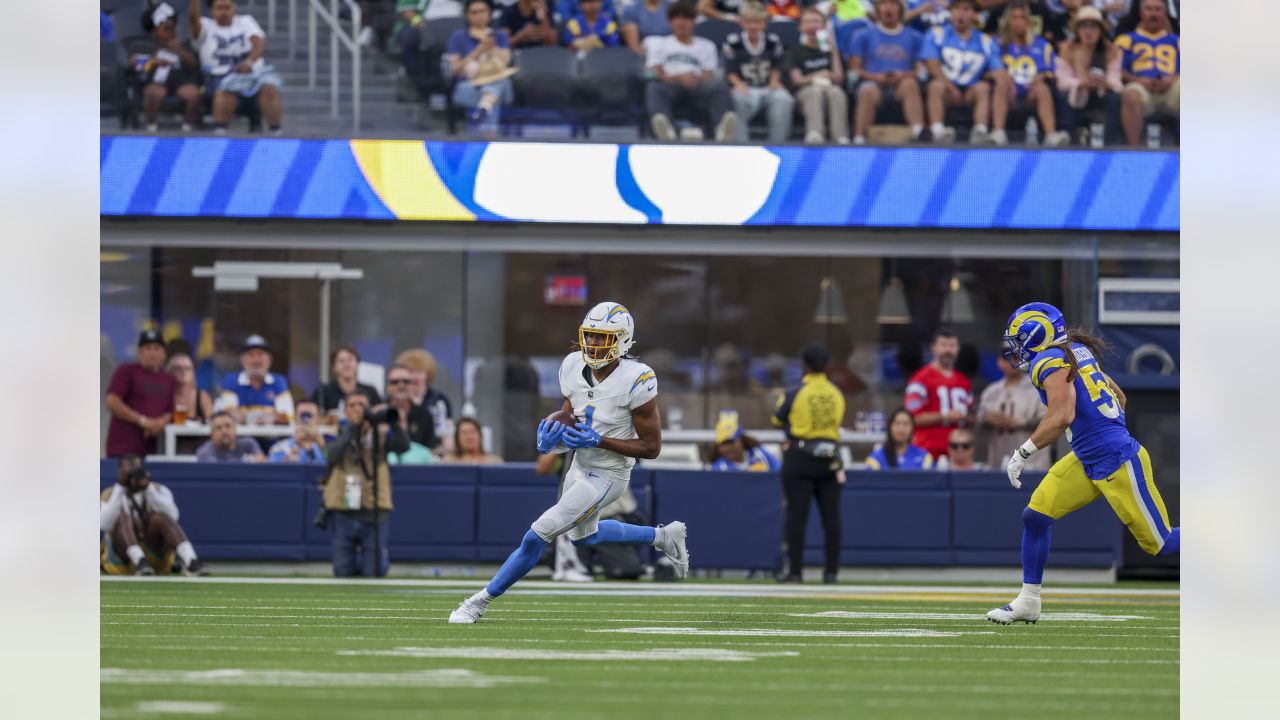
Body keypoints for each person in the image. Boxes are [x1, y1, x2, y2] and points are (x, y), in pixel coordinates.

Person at [448, 301, 689, 623]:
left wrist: (599, 440)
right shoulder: (573, 365)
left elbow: (651, 447)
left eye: (605, 338)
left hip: (608, 474)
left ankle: (477, 602)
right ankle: (662, 537)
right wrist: (551, 441)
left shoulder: (637, 378)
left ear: (624, 341)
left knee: (537, 535)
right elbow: (571, 413)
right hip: (578, 464)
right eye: (591, 336)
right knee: (584, 536)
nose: (595, 345)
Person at [988, 302, 1179, 624]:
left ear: (1036, 336)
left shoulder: (1048, 361)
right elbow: (1119, 398)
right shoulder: (1074, 350)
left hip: (1116, 460)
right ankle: (1028, 601)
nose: (1016, 348)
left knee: (1160, 544)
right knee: (1035, 517)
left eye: (1019, 339)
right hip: (1090, 456)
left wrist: (1022, 453)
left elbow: (1062, 416)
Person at [772, 344, 847, 584]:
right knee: (832, 518)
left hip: (800, 458)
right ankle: (831, 572)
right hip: (830, 460)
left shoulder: (795, 392)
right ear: (827, 366)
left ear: (804, 366)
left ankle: (795, 572)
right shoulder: (837, 393)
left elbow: (777, 418)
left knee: (797, 517)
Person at [319, 392, 410, 577]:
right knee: (342, 570)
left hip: (374, 510)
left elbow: (403, 446)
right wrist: (352, 428)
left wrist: (393, 421)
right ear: (345, 410)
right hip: (343, 511)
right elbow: (331, 455)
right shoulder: (335, 432)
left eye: (362, 405)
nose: (357, 409)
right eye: (352, 405)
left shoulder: (381, 434)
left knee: (374, 572)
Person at [644, 2, 739, 143]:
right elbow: (657, 73)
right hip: (671, 84)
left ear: (694, 21)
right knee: (654, 88)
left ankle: (721, 129)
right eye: (677, 18)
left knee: (719, 87)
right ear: (670, 22)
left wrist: (696, 79)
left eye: (687, 18)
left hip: (698, 85)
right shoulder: (659, 44)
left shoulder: (707, 45)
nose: (682, 22)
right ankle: (667, 130)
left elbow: (709, 73)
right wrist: (679, 77)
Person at [100, 454, 209, 576]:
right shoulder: (110, 493)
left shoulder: (158, 489)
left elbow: (173, 517)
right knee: (123, 518)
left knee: (158, 518)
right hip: (121, 557)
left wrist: (148, 488)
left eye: (136, 470)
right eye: (127, 471)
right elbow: (104, 524)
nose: (132, 476)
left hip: (153, 552)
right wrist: (120, 486)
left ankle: (191, 560)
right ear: (119, 471)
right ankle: (140, 561)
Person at [188, 0, 284, 135]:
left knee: (269, 89)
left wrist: (249, 62)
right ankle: (220, 132)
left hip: (250, 75)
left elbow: (260, 44)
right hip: (219, 77)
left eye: (227, 7)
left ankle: (277, 134)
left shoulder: (245, 22)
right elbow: (193, 19)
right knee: (226, 90)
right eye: (219, 8)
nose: (224, 12)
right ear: (212, 11)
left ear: (235, 8)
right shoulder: (206, 26)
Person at [920, 0, 1010, 144]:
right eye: (957, 9)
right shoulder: (936, 34)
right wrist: (950, 87)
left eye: (966, 9)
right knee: (935, 86)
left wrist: (1004, 82)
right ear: (950, 12)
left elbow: (997, 69)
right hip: (946, 88)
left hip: (970, 91)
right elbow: (932, 65)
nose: (961, 14)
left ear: (975, 15)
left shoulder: (986, 41)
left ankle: (980, 131)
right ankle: (938, 131)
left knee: (983, 88)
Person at [847, 0, 926, 144]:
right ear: (878, 9)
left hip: (901, 86)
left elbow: (920, 70)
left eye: (893, 4)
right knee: (867, 91)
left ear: (900, 10)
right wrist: (876, 77)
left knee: (910, 84)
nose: (888, 8)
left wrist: (903, 75)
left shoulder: (915, 37)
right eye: (884, 4)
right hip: (872, 84)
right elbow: (854, 70)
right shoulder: (862, 35)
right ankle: (859, 139)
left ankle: (918, 133)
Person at [996, 2, 1070, 146]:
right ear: (1007, 21)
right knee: (1000, 85)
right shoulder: (997, 45)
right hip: (1007, 93)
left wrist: (1041, 77)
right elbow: (990, 69)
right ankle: (998, 133)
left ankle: (1051, 135)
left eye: (1022, 18)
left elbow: (1051, 70)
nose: (1018, 22)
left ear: (1029, 22)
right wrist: (1004, 78)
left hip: (1032, 93)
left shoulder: (1042, 45)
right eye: (1014, 18)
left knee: (1042, 88)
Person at [723, 2, 793, 143]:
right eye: (749, 22)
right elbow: (729, 70)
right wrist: (738, 84)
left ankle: (778, 144)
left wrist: (774, 81)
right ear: (742, 23)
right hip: (745, 87)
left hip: (768, 87)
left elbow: (778, 64)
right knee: (737, 99)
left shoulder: (772, 41)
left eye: (757, 22)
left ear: (765, 23)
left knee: (784, 99)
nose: (753, 26)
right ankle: (741, 143)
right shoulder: (733, 42)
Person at [447, 0, 517, 135]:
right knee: (491, 97)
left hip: (500, 83)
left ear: (489, 13)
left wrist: (490, 46)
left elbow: (506, 62)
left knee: (496, 82)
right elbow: (456, 70)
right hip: (469, 86)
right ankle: (489, 131)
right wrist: (478, 51)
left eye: (483, 11)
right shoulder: (458, 36)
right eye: (474, 12)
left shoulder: (499, 35)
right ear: (467, 16)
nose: (479, 15)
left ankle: (477, 144)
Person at [904, 327, 973, 461]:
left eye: (952, 345)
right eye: (943, 345)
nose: (948, 350)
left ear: (958, 348)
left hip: (958, 454)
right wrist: (945, 416)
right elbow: (912, 418)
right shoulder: (920, 379)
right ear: (933, 347)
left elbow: (970, 416)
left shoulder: (964, 382)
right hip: (926, 454)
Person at [1054, 6, 1121, 143]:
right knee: (1061, 95)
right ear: (1077, 30)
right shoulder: (1066, 49)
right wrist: (1080, 83)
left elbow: (1117, 81)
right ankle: (1066, 138)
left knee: (1113, 97)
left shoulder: (1111, 50)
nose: (1088, 31)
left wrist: (1106, 83)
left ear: (1101, 31)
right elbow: (1062, 80)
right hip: (1076, 93)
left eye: (1093, 27)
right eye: (1084, 27)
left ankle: (1110, 144)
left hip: (1100, 93)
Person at [1115, 0, 1177, 146]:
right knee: (1130, 94)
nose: (1153, 14)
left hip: (1171, 90)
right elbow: (1117, 70)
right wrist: (1138, 80)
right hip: (1141, 89)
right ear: (1141, 12)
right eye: (1149, 9)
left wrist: (1172, 79)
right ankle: (1135, 150)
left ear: (1165, 13)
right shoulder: (1125, 40)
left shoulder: (1177, 41)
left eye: (1157, 9)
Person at [105, 330, 175, 458]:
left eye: (156, 348)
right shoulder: (126, 371)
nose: (152, 353)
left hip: (154, 452)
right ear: (139, 352)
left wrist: (159, 424)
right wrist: (143, 421)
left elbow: (169, 411)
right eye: (147, 348)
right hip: (123, 450)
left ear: (164, 353)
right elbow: (112, 401)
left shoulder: (168, 379)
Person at [135, 3, 201, 132]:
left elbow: (194, 63)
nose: (171, 33)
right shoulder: (144, 45)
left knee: (193, 94)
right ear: (154, 31)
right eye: (166, 29)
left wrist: (180, 51)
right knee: (153, 93)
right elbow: (135, 63)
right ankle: (152, 126)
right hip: (155, 82)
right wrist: (153, 61)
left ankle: (188, 127)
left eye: (173, 29)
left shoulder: (182, 44)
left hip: (181, 82)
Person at [788, 7, 849, 145]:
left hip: (830, 90)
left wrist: (833, 51)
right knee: (814, 92)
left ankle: (840, 137)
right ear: (801, 27)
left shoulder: (830, 51)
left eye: (815, 21)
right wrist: (817, 75)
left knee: (836, 92)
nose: (811, 26)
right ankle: (815, 135)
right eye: (807, 22)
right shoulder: (795, 51)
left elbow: (838, 79)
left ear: (823, 26)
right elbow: (797, 80)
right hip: (805, 93)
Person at [978, 354, 1048, 470]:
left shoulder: (1038, 388)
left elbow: (1051, 421)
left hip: (1032, 463)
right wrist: (987, 420)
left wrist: (1020, 423)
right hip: (998, 460)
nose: (1012, 362)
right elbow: (978, 426)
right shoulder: (990, 391)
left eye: (1016, 358)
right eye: (1007, 358)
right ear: (999, 362)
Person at [217, 334, 294, 425]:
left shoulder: (279, 381)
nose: (256, 360)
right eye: (251, 355)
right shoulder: (232, 381)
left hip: (273, 438)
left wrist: (245, 417)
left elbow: (286, 415)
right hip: (241, 438)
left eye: (260, 354)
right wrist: (268, 417)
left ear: (269, 359)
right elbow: (228, 413)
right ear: (242, 360)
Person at [395, 348, 454, 447]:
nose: (414, 377)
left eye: (419, 371)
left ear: (428, 374)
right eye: (411, 371)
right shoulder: (397, 399)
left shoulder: (440, 399)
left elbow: (448, 434)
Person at [310, 344, 383, 415]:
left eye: (350, 360)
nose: (346, 364)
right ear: (333, 367)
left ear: (358, 364)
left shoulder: (371, 391)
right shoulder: (322, 393)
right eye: (341, 361)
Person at [384, 363, 439, 449]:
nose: (401, 386)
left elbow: (430, 450)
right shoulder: (380, 413)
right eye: (395, 382)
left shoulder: (424, 416)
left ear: (412, 385)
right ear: (388, 387)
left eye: (406, 382)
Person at [708, 410, 781, 471]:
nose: (727, 448)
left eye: (731, 442)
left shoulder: (758, 453)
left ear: (741, 440)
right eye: (722, 444)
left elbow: (779, 470)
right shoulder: (719, 468)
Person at [864, 408, 934, 470]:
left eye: (906, 424)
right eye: (897, 423)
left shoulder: (924, 457)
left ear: (913, 428)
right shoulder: (876, 458)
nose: (901, 429)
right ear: (889, 427)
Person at [195, 412, 265, 462]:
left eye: (228, 426)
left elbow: (261, 463)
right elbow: (217, 472)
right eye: (219, 428)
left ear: (235, 429)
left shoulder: (249, 443)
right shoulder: (204, 452)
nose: (224, 431)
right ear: (212, 433)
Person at [394, 1, 431, 94]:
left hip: (439, 28)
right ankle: (414, 81)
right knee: (410, 37)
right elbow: (407, 13)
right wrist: (421, 23)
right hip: (411, 28)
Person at [166, 352, 212, 425]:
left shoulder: (202, 396)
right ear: (170, 372)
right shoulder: (165, 395)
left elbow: (211, 423)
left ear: (193, 373)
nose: (183, 372)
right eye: (178, 368)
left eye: (187, 368)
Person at [437, 418, 504, 464]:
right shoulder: (449, 462)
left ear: (480, 435)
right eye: (464, 433)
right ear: (457, 438)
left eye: (473, 432)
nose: (469, 437)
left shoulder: (494, 462)